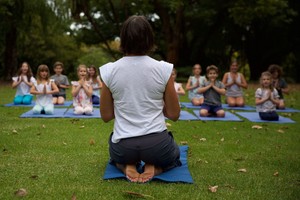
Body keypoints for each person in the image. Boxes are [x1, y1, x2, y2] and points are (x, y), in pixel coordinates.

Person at [100, 15, 181, 183]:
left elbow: (106, 116)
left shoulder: (109, 70)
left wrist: (126, 106)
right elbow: (174, 114)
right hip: (157, 147)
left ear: (123, 39)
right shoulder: (163, 69)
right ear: (149, 38)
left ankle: (127, 164)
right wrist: (155, 105)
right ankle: (154, 166)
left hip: (124, 147)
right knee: (175, 152)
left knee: (116, 147)